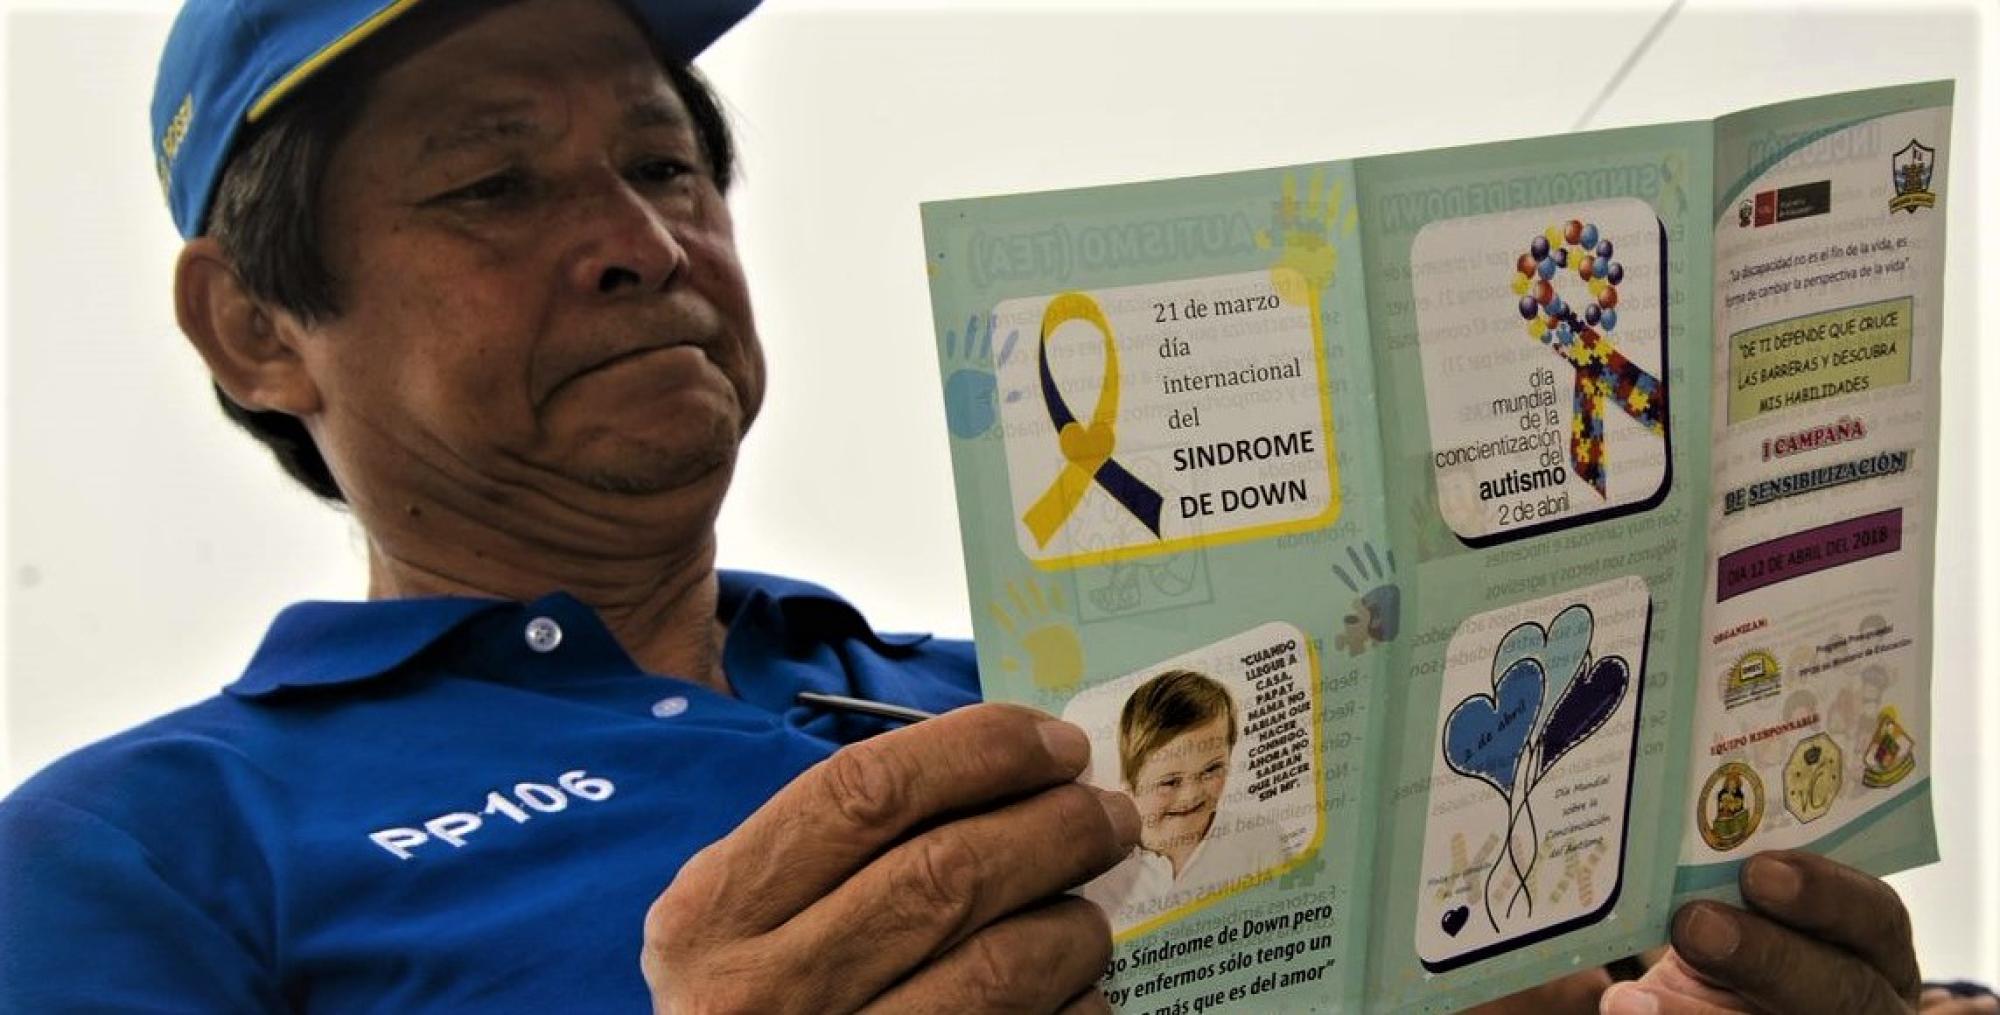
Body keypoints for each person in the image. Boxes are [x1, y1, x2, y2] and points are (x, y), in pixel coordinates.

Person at [0, 0, 1981, 1012]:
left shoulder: (1019, 692)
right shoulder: (146, 849)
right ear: (256, 327)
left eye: (671, 166)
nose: (640, 240)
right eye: (495, 183)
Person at [1083, 669, 1290, 932]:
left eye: (1212, 769)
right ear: (1130, 783)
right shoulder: (1106, 873)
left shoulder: (1259, 842)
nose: (1192, 795)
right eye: (1170, 782)